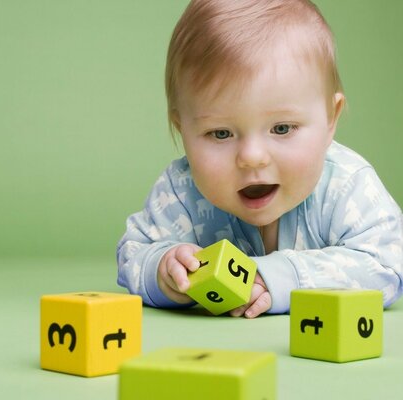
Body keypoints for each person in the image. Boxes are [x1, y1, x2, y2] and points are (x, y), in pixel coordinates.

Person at [116, 0, 403, 318]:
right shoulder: (181, 191)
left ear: (330, 119)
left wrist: (280, 277)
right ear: (182, 127)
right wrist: (163, 267)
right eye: (221, 133)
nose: (251, 157)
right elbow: (133, 252)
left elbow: (387, 263)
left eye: (282, 128)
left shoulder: (346, 184)